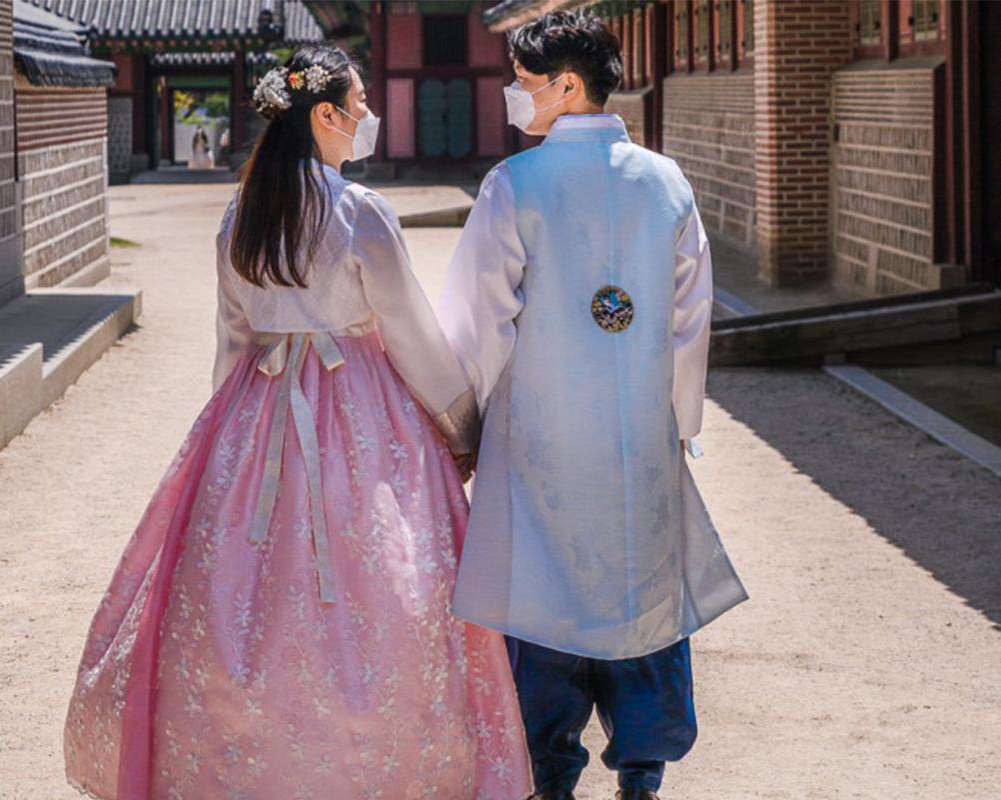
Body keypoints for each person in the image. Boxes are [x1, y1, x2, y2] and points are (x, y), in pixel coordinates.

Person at [63, 46, 531, 800]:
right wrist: (459, 425)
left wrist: (223, 444)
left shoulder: (241, 213)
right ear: (326, 115)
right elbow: (408, 331)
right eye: (359, 103)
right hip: (360, 403)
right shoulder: (357, 212)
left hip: (258, 406)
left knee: (245, 587)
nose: (367, 116)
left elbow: (232, 340)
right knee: (381, 578)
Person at [438, 12, 748, 800]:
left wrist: (463, 425)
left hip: (540, 435)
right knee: (641, 596)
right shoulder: (665, 181)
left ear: (566, 85)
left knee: (543, 597)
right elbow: (690, 323)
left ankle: (550, 772)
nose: (514, 95)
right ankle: (642, 771)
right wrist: (677, 424)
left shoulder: (516, 185)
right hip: (638, 437)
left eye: (523, 82)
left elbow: (478, 324)